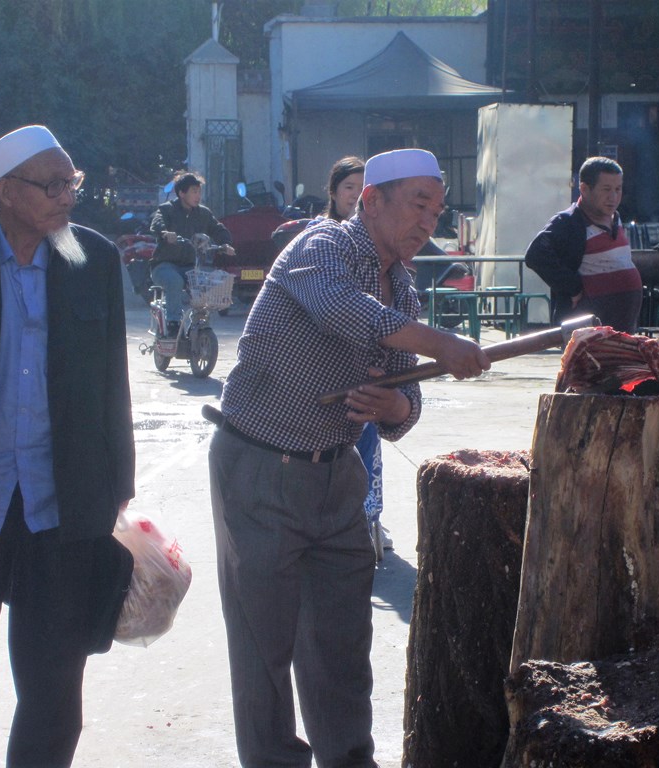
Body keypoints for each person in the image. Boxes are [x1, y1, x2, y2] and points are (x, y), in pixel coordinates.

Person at [208, 148, 490, 767]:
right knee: (263, 650)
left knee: (340, 644)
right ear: (371, 200)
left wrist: (396, 410)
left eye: (438, 212)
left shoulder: (406, 286)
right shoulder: (323, 247)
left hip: (338, 473)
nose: (429, 224)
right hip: (259, 466)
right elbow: (342, 308)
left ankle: (349, 760)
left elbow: (403, 387)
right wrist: (441, 343)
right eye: (419, 205)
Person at [0, 125, 136, 767]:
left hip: (63, 503)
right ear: (8, 192)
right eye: (53, 185)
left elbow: (111, 385)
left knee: (53, 678)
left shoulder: (92, 260)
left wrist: (115, 493)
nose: (68, 195)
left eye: (73, 181)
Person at [321, 155, 393, 558]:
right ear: (334, 192)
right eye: (349, 187)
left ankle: (369, 520)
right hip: (330, 372)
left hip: (369, 369)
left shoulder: (383, 250)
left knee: (368, 446)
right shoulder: (325, 239)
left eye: (364, 188)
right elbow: (338, 307)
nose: (357, 195)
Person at [525, 156, 642, 332]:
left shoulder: (615, 218)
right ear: (584, 189)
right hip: (589, 332)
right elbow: (535, 255)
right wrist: (573, 287)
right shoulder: (568, 222)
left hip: (621, 327)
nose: (613, 197)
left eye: (618, 189)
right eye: (606, 189)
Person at [149, 171, 234, 335]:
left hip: (189, 267)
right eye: (194, 191)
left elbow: (218, 229)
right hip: (164, 266)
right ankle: (173, 322)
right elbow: (157, 224)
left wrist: (225, 244)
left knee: (206, 284)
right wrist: (165, 233)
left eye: (199, 191)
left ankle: (199, 323)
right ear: (181, 193)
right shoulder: (167, 210)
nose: (198, 195)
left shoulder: (203, 213)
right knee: (175, 281)